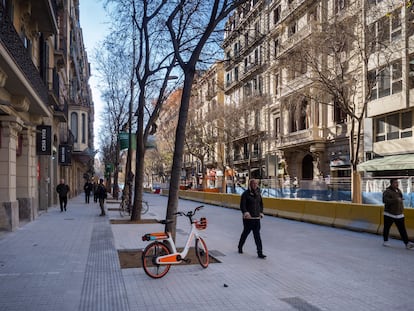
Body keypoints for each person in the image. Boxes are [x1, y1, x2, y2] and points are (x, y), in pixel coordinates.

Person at [238, 178, 266, 258]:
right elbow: (242, 206)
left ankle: (260, 252)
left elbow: (261, 204)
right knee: (245, 234)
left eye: (256, 184)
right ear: (250, 185)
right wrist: (246, 213)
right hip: (248, 219)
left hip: (257, 218)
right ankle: (240, 247)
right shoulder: (245, 194)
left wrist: (261, 212)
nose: (255, 185)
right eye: (253, 184)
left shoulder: (258, 194)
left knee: (257, 236)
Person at [382, 179, 414, 249]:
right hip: (389, 214)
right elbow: (384, 200)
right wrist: (395, 200)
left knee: (402, 229)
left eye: (397, 182)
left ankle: (407, 243)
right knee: (387, 228)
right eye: (395, 183)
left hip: (399, 214)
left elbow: (399, 199)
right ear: (391, 183)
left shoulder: (398, 191)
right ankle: (385, 241)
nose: (397, 184)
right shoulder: (387, 191)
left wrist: (401, 200)